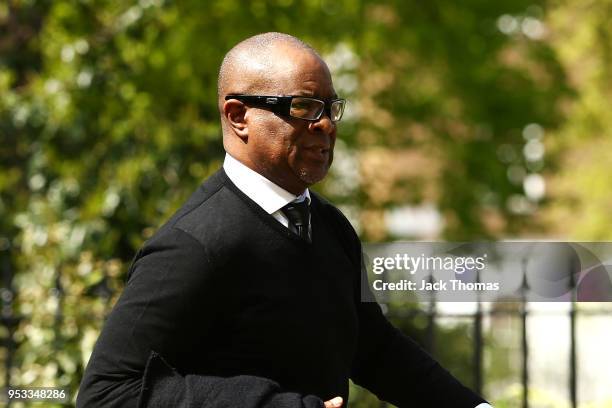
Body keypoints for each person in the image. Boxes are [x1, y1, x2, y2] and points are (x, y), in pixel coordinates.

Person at [77, 32, 492, 408]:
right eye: (305, 107)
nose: (326, 124)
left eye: (331, 108)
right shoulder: (194, 244)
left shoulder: (329, 225)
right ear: (239, 116)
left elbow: (372, 348)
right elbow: (108, 393)